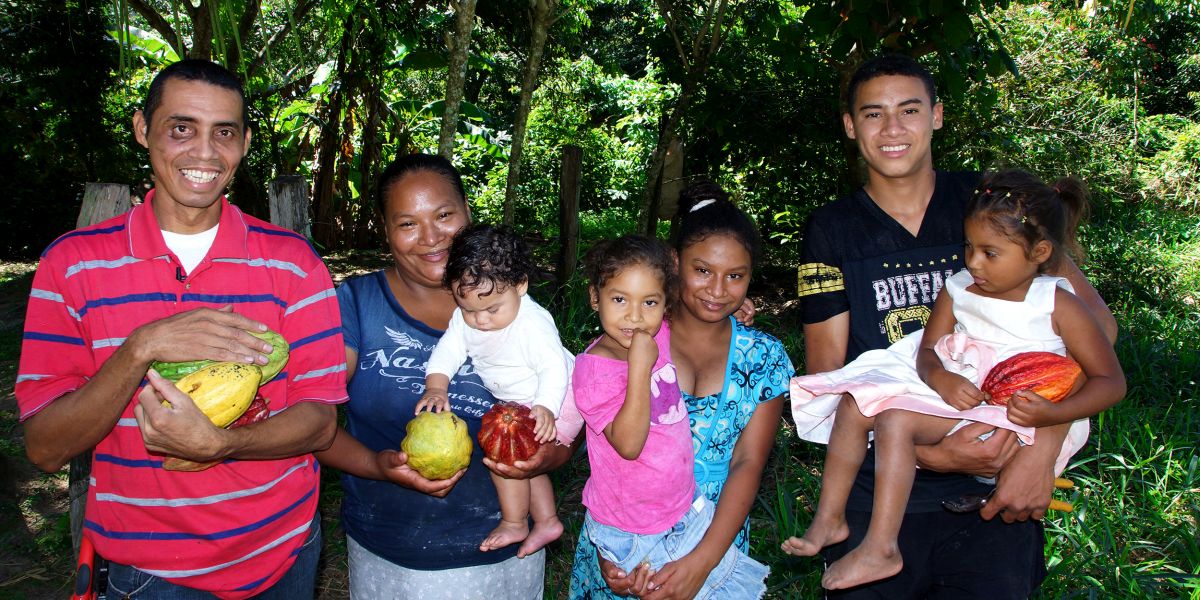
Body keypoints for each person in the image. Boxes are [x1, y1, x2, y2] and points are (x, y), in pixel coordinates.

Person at [15, 59, 347, 598]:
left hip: (282, 553)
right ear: (143, 130)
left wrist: (220, 443)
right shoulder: (72, 266)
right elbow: (46, 448)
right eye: (181, 128)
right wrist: (141, 348)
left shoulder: (294, 264)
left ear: (243, 144)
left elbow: (320, 422)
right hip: (148, 573)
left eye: (225, 133)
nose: (204, 153)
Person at [793, 54, 1119, 597]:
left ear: (937, 116)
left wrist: (1041, 452)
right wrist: (933, 455)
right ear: (851, 126)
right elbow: (830, 374)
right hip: (880, 492)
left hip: (997, 482)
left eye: (910, 109)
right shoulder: (831, 230)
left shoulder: (991, 205)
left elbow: (1093, 334)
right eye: (873, 114)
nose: (893, 129)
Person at [316, 154, 579, 599]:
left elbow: (573, 408)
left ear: (468, 215)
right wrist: (379, 467)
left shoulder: (516, 309)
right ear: (385, 230)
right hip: (390, 548)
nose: (431, 238)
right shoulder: (356, 303)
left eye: (443, 215)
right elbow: (313, 423)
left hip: (502, 558)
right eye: (407, 223)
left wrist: (546, 455)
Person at [569, 183, 793, 600]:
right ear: (675, 264)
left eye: (736, 276)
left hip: (709, 541)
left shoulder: (764, 358)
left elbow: (747, 463)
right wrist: (613, 545)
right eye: (702, 270)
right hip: (622, 539)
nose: (717, 290)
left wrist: (700, 563)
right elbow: (610, 451)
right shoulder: (633, 336)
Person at [415, 223, 571, 555]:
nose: (480, 319)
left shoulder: (533, 323)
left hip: (560, 394)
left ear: (521, 286)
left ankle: (515, 523)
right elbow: (448, 350)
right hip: (523, 401)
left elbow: (553, 367)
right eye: (469, 309)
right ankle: (546, 521)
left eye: (491, 309)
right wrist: (436, 387)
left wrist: (546, 406)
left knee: (504, 455)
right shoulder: (465, 317)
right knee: (526, 462)